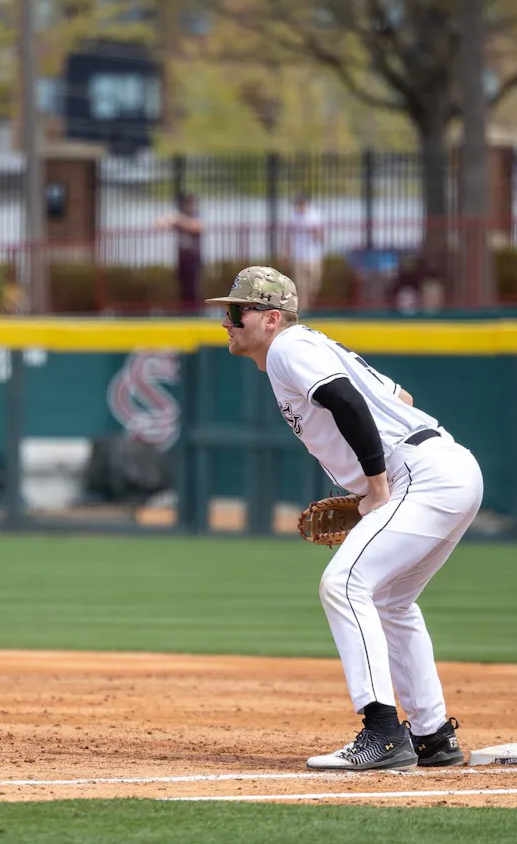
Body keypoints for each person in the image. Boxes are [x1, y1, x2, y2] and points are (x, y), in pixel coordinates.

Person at [206, 267, 484, 771]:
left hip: (419, 475)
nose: (225, 321)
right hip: (448, 468)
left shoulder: (289, 347)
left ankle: (382, 733)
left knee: (345, 584)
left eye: (234, 311)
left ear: (271, 318)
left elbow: (348, 401)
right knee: (392, 602)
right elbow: (401, 399)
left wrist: (377, 489)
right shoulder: (313, 346)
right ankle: (432, 736)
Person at [155, 193, 204, 313]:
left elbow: (197, 227)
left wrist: (179, 220)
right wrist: (170, 219)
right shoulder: (178, 216)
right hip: (182, 258)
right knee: (182, 285)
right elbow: (158, 225)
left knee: (193, 286)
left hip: (194, 257)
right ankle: (185, 309)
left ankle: (195, 311)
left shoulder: (194, 215)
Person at [286, 194, 326, 311]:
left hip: (313, 256)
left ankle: (309, 305)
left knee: (314, 284)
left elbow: (321, 237)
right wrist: (287, 253)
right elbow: (289, 236)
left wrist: (314, 233)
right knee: (300, 285)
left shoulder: (315, 216)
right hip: (298, 257)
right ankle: (303, 309)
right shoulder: (293, 217)